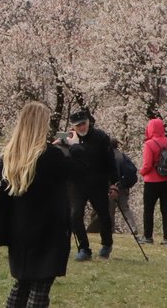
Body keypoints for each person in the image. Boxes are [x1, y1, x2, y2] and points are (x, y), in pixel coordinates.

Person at [0, 102, 71, 308]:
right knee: (40, 289)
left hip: (19, 230)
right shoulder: (50, 157)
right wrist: (75, 147)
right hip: (47, 231)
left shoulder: (9, 156)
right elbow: (75, 174)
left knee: (22, 284)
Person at [61, 109, 118, 260]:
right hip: (76, 184)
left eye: (83, 124)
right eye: (78, 125)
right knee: (75, 215)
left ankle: (107, 243)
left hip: (97, 182)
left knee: (103, 215)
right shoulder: (69, 139)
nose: (81, 127)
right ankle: (84, 248)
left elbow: (110, 161)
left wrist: (113, 183)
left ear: (88, 122)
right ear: (73, 126)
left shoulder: (101, 137)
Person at [138, 117, 167, 245]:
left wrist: (141, 172)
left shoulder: (149, 144)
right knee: (166, 209)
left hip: (152, 182)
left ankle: (148, 236)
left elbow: (147, 165)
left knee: (149, 209)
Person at [108, 137, 140, 238]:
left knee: (110, 210)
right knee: (125, 208)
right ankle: (133, 227)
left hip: (111, 187)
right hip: (123, 186)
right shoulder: (123, 156)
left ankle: (110, 229)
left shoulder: (108, 157)